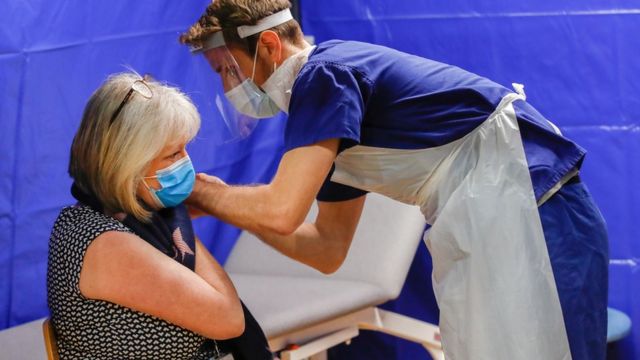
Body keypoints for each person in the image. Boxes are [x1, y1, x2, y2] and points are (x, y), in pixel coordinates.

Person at [180, 1, 609, 359]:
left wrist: (198, 189)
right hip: (498, 218)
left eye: (228, 69)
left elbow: (280, 210)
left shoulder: (323, 76)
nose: (227, 86)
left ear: (269, 45)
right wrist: (229, 207)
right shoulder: (330, 118)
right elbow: (326, 249)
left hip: (537, 212)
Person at [47, 72, 274, 359]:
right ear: (127, 165)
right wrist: (179, 219)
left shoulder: (120, 220)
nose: (186, 162)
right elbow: (229, 319)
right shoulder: (103, 242)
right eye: (173, 154)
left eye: (185, 149)